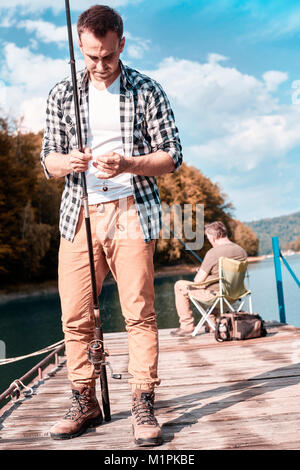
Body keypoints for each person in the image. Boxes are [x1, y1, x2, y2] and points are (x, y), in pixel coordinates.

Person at [40, 5, 182, 446]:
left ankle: (142, 402)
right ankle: (85, 400)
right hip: (78, 214)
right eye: (91, 56)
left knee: (139, 312)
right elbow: (48, 159)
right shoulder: (62, 94)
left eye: (108, 55)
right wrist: (69, 163)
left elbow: (172, 156)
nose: (100, 65)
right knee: (75, 316)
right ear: (80, 48)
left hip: (131, 211)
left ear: (122, 43)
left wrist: (128, 163)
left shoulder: (146, 89)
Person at [171, 221, 247, 336]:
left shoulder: (213, 252)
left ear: (213, 237)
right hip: (235, 294)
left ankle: (186, 326)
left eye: (208, 238)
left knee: (180, 285)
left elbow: (197, 281)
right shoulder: (241, 251)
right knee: (211, 286)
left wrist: (200, 273)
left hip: (216, 294)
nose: (209, 240)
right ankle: (212, 323)